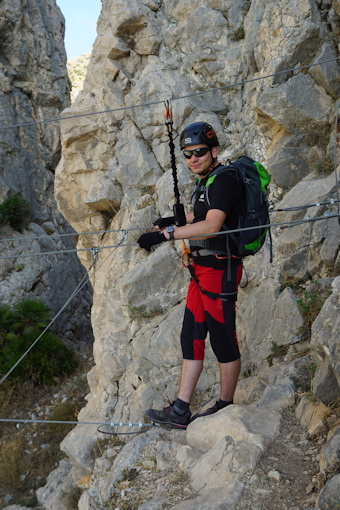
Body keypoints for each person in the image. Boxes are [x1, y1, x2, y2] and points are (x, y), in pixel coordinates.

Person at [137, 122, 243, 429]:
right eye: (187, 154)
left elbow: (212, 225)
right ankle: (181, 411)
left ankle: (225, 406)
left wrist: (168, 234)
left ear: (214, 151)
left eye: (198, 153)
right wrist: (172, 220)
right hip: (200, 271)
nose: (193, 159)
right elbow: (201, 215)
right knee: (191, 335)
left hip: (220, 271)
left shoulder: (226, 179)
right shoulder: (206, 181)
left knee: (223, 339)